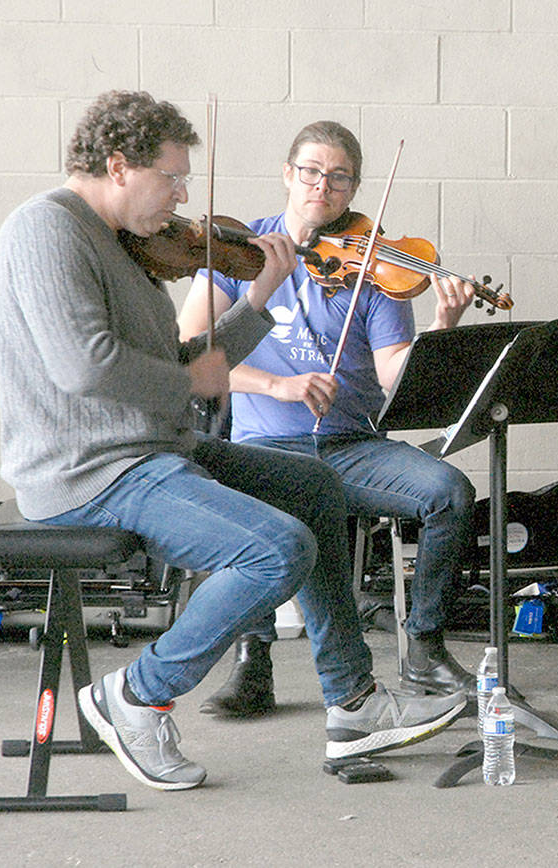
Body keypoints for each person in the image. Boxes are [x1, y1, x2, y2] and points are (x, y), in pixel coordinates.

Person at [0, 91, 465, 791]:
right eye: (173, 177)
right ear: (120, 166)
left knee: (316, 487)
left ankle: (353, 702)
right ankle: (135, 696)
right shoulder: (46, 230)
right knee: (276, 548)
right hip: (90, 469)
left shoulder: (124, 243)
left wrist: (259, 298)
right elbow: (85, 368)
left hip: (152, 449)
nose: (183, 195)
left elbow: (187, 361)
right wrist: (194, 384)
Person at [175, 121, 477, 717]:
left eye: (339, 177)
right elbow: (190, 350)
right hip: (263, 443)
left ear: (354, 188)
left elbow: (394, 375)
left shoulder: (376, 267)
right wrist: (277, 385)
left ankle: (423, 644)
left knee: (450, 492)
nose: (324, 186)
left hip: (348, 443)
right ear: (289, 174)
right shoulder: (244, 250)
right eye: (312, 171)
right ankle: (251, 662)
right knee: (259, 508)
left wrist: (444, 330)